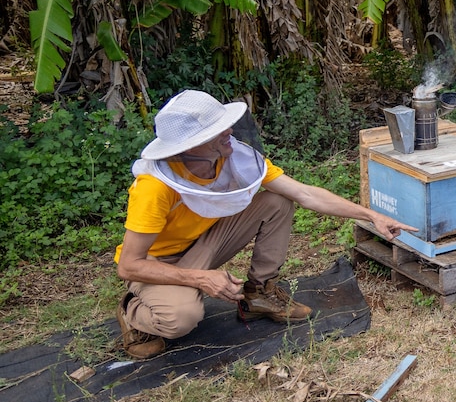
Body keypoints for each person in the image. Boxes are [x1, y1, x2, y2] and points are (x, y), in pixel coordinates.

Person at [114, 90, 415, 359]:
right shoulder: (153, 188)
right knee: (181, 320)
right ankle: (133, 313)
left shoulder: (232, 157)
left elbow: (304, 194)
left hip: (204, 243)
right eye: (217, 131)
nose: (229, 132)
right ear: (191, 146)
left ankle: (258, 293)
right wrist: (201, 279)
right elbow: (128, 265)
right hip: (157, 263)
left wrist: (371, 215)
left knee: (276, 201)